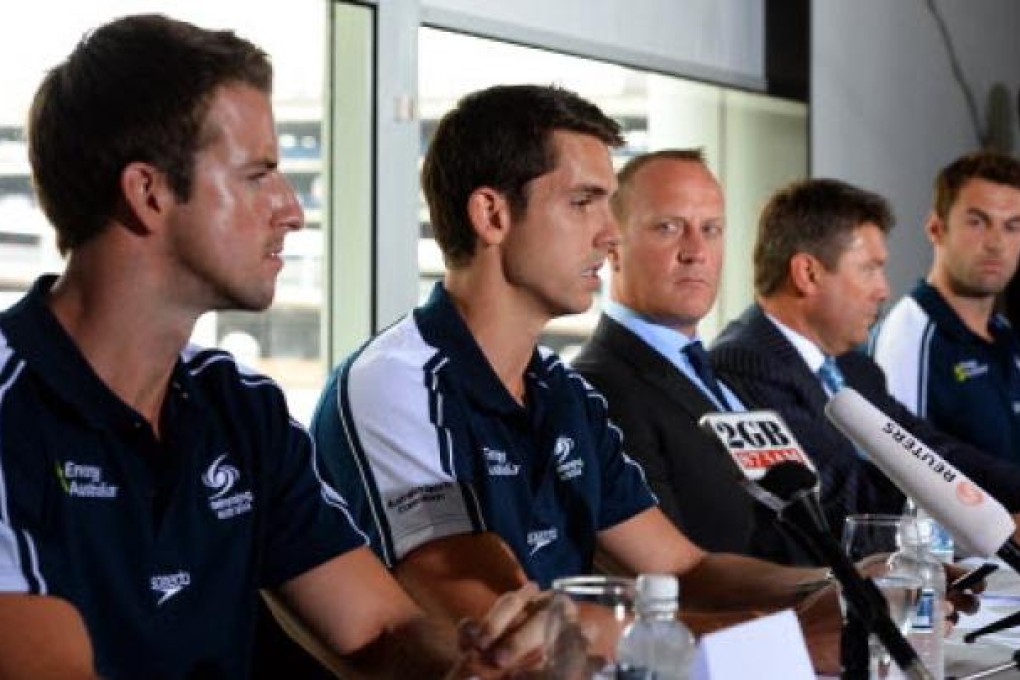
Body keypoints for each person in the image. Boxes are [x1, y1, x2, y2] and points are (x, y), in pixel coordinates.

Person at [0, 14, 547, 679]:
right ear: (148, 193)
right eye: (259, 175)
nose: (291, 209)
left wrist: (479, 667)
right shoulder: (12, 414)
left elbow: (381, 629)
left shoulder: (240, 408)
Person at [311, 84, 860, 673]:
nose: (611, 232)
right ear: (492, 215)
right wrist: (773, 638)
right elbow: (507, 628)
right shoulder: (398, 383)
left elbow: (681, 569)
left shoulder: (561, 390)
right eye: (583, 202)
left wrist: (849, 587)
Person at [710, 178, 1020, 539]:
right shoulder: (744, 364)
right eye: (869, 269)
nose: (883, 290)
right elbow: (837, 497)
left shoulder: (855, 367)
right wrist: (986, 529)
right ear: (807, 273)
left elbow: (930, 452)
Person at [570, 149, 810, 565]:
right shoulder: (599, 387)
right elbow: (674, 572)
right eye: (668, 227)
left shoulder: (720, 374)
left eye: (711, 229)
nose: (696, 250)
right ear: (613, 249)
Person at [870, 151, 1020, 465]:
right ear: (936, 229)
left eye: (1012, 226)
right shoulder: (910, 337)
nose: (996, 243)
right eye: (978, 222)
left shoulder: (1004, 333)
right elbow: (902, 477)